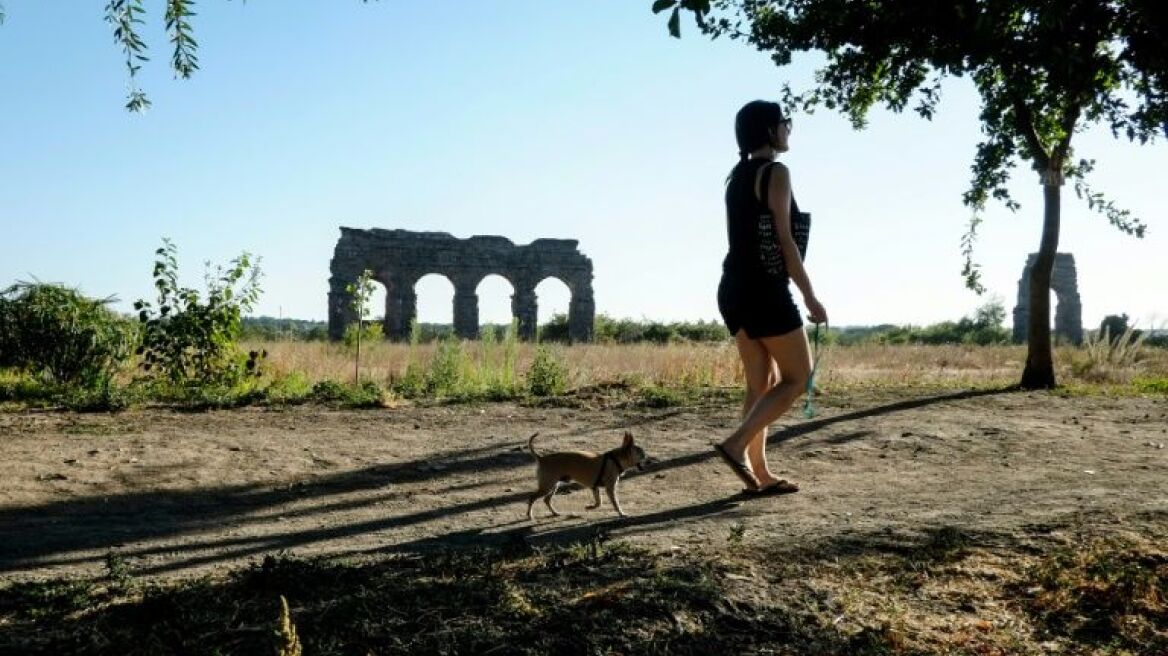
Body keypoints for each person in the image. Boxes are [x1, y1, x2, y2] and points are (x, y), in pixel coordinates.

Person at [712, 100, 828, 495]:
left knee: (761, 385)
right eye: (785, 123)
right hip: (764, 290)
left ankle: (758, 476)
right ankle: (734, 445)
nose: (789, 130)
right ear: (768, 131)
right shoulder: (776, 172)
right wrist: (810, 296)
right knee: (798, 377)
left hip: (732, 288)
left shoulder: (735, 178)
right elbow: (784, 241)